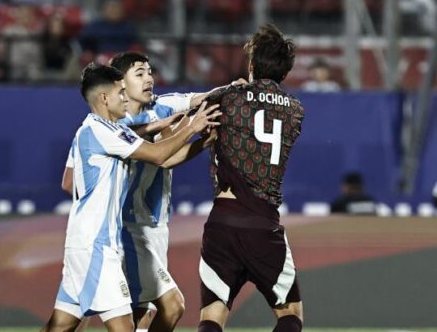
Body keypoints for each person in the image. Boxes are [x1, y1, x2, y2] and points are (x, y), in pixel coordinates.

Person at [41, 63, 221, 332]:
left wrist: (176, 132)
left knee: (61, 325)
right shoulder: (98, 131)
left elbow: (150, 148)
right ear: (104, 98)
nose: (125, 98)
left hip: (87, 242)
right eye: (120, 93)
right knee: (125, 327)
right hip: (96, 246)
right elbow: (158, 155)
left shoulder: (103, 128)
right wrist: (192, 127)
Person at [197, 24, 305, 332]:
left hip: (222, 220)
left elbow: (203, 116)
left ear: (252, 65)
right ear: (285, 72)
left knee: (212, 314)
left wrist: (233, 89)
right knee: (290, 313)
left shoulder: (228, 98)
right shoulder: (296, 110)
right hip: (263, 223)